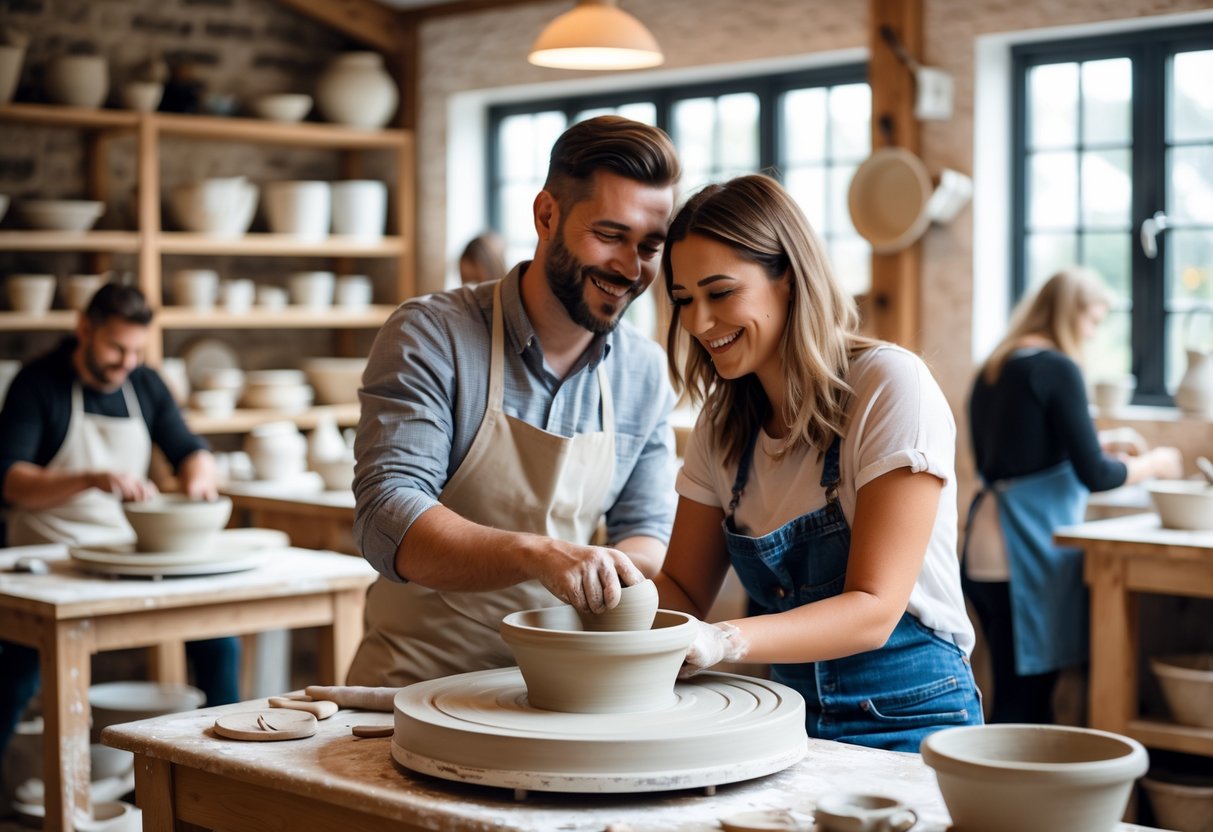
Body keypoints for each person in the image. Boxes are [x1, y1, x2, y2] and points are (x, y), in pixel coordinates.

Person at [347, 115, 682, 687]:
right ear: (546, 215)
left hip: (559, 689)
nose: (630, 269)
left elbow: (645, 528)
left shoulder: (643, 371)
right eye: (609, 235)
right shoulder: (433, 335)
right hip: (413, 685)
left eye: (648, 247)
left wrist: (621, 576)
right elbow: (388, 516)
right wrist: (539, 554)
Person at [651, 174, 982, 753]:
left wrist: (723, 640)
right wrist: (605, 606)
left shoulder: (890, 386)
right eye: (683, 301)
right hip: (789, 725)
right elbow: (680, 589)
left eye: (720, 292)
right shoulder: (722, 424)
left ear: (789, 279)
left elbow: (874, 610)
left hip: (912, 719)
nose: (699, 322)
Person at [0, 283, 241, 769]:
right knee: (16, 671)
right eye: (116, 347)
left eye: (136, 350)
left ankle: (226, 774)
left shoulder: (144, 383)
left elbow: (189, 447)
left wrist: (198, 473)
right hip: (51, 558)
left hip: (123, 554)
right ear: (84, 329)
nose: (126, 360)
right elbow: (10, 481)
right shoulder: (38, 382)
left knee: (219, 640)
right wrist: (89, 478)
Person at [963, 267, 1182, 724]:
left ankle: (999, 790)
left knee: (1009, 690)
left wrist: (1105, 439)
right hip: (1022, 553)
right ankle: (1006, 794)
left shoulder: (994, 367)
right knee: (1026, 703)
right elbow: (1097, 476)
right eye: (1093, 321)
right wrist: (1155, 464)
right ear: (1070, 314)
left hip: (982, 545)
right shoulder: (1058, 368)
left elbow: (1019, 454)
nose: (1093, 332)